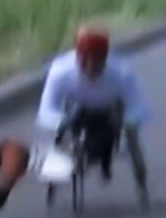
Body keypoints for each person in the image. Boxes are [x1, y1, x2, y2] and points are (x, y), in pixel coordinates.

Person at [36, 27, 150, 207]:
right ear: (78, 58)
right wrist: (61, 122)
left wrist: (128, 121)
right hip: (77, 107)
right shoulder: (61, 71)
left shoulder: (122, 72)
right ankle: (53, 179)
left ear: (106, 58)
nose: (91, 68)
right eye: (86, 62)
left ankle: (141, 184)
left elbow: (139, 107)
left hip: (110, 107)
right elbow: (46, 110)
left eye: (98, 63)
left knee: (132, 137)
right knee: (59, 135)